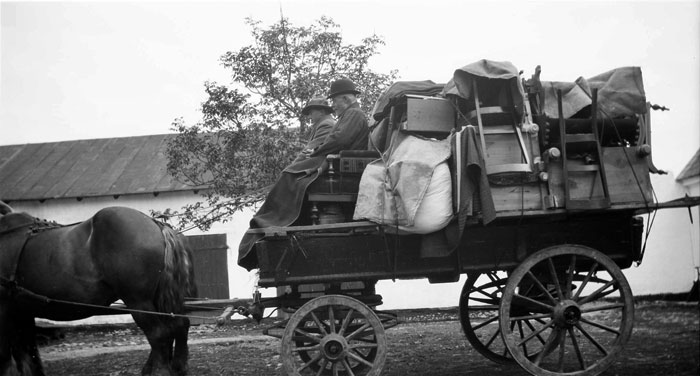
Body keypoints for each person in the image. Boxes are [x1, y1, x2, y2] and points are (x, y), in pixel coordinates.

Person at [238, 78, 370, 271]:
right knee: (291, 174)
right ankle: (277, 219)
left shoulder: (354, 114)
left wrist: (317, 151)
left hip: (340, 166)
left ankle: (276, 219)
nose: (333, 105)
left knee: (291, 175)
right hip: (336, 162)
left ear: (346, 98)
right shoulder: (350, 114)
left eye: (335, 100)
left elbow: (340, 138)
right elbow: (337, 139)